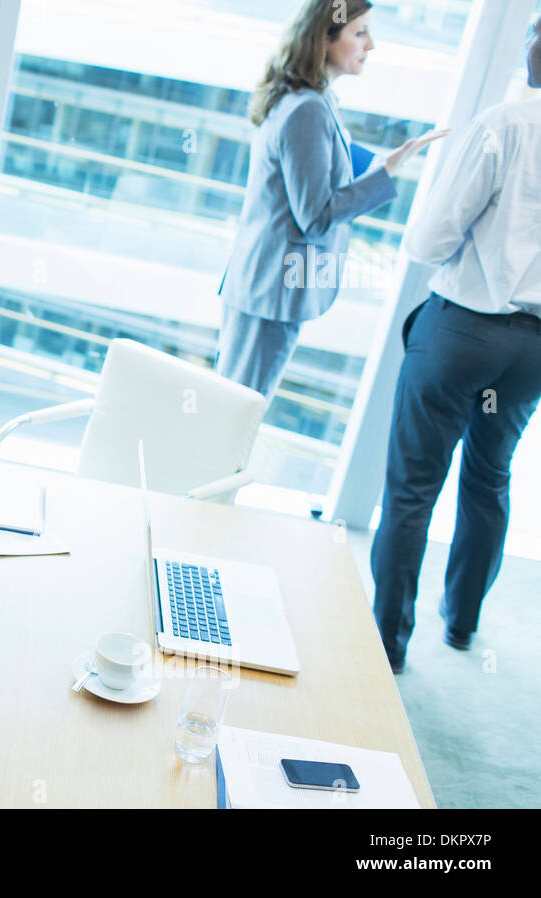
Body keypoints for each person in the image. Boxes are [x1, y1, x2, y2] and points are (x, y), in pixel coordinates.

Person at [371, 17, 541, 674]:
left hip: (463, 334)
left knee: (413, 487)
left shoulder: (505, 125)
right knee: (489, 474)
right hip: (530, 355)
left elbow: (428, 241)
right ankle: (462, 622)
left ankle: (387, 643)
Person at [215, 0, 445, 399]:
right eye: (360, 33)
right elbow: (317, 216)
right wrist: (388, 173)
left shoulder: (313, 101)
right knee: (235, 413)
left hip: (266, 288)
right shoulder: (308, 109)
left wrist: (387, 163)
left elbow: (323, 172)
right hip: (271, 293)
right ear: (325, 37)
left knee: (233, 410)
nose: (370, 45)